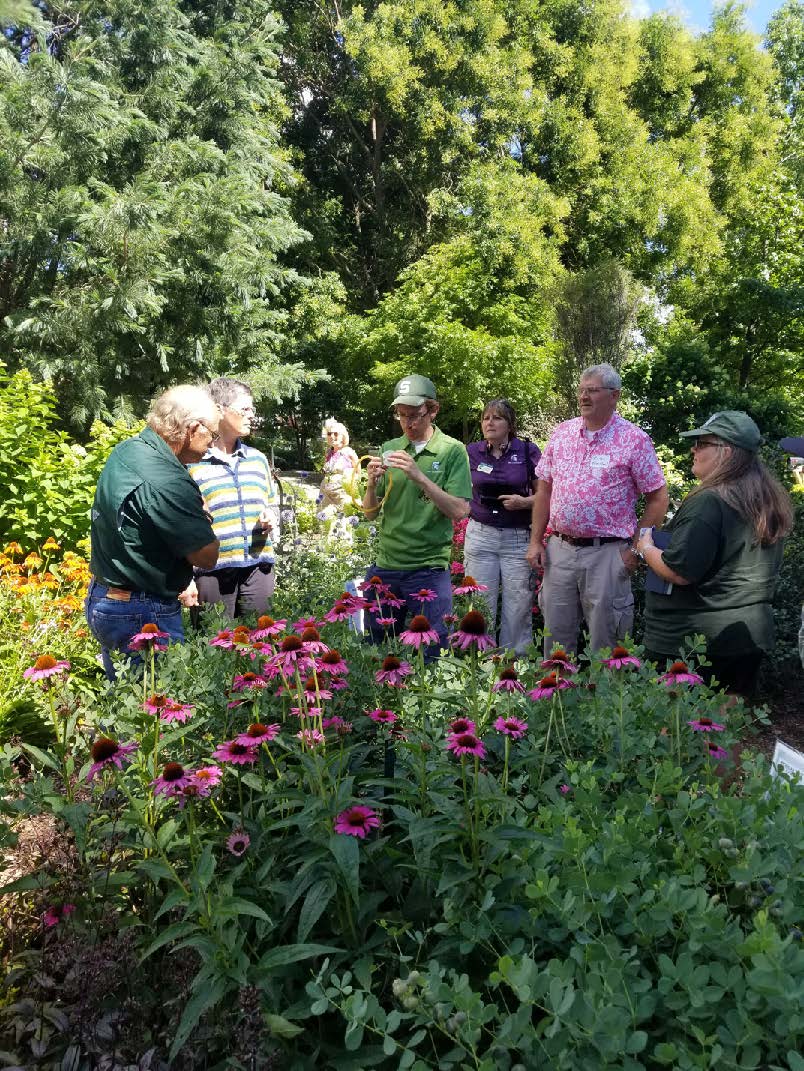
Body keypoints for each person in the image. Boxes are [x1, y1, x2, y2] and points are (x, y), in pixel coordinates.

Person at [637, 411, 793, 697]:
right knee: (719, 732)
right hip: (746, 639)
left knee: (668, 734)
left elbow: (679, 572)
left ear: (727, 452)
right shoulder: (766, 500)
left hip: (691, 643)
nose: (693, 449)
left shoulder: (710, 501)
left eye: (702, 443)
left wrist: (646, 547)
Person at [525, 363, 668, 656]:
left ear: (614, 396)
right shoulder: (562, 433)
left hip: (609, 554)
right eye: (581, 390)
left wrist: (637, 550)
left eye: (592, 390)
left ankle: (606, 701)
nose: (583, 396)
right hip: (560, 551)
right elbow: (545, 490)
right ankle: (556, 701)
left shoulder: (634, 439)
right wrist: (536, 541)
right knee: (555, 643)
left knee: (608, 645)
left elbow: (658, 498)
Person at [85, 385, 220, 679]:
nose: (212, 443)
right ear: (192, 428)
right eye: (212, 433)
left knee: (126, 704)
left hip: (106, 597)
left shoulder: (129, 450)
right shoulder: (166, 478)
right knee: (160, 710)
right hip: (141, 612)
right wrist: (204, 515)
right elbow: (207, 555)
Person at [362, 374, 472, 655]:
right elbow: (371, 514)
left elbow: (460, 511)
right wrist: (371, 484)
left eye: (415, 415)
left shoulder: (452, 451)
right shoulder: (390, 448)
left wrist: (419, 476)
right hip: (386, 567)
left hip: (428, 569)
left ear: (433, 410)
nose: (408, 423)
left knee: (434, 652)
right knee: (380, 651)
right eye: (401, 415)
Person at [185, 378, 279, 619]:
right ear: (220, 410)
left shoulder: (257, 459)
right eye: (245, 408)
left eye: (252, 409)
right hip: (211, 572)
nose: (252, 415)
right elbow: (182, 525)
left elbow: (270, 504)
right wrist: (186, 578)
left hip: (258, 566)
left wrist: (270, 516)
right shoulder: (193, 463)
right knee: (214, 648)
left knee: (262, 645)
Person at [464, 399, 541, 654]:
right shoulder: (472, 452)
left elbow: (546, 496)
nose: (489, 423)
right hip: (481, 535)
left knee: (518, 604)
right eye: (486, 418)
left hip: (517, 537)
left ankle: (514, 663)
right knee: (479, 602)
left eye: (496, 418)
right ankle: (480, 661)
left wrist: (524, 502)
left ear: (510, 424)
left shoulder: (527, 451)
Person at [320, 418, 360, 513]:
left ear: (343, 436)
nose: (332, 436)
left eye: (336, 434)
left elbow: (358, 474)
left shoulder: (349, 452)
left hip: (341, 495)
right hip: (326, 494)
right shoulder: (328, 452)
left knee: (341, 522)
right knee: (324, 520)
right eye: (329, 434)